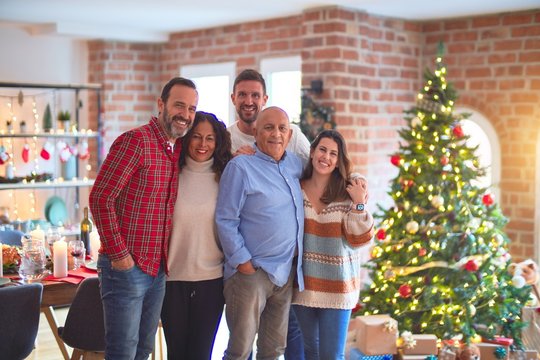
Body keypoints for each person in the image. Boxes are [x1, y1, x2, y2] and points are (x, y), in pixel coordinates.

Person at [89, 77, 198, 360]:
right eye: (179, 105)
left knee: (143, 349)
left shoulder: (174, 151)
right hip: (126, 267)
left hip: (157, 269)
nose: (185, 115)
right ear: (161, 104)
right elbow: (101, 198)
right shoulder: (136, 141)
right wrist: (120, 256)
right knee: (122, 352)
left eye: (191, 109)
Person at [228, 68, 307, 359]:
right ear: (256, 133)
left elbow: (325, 168)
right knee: (240, 349)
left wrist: (356, 181)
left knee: (274, 349)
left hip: (285, 272)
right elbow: (226, 218)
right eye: (268, 128)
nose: (276, 133)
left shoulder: (294, 163)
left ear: (289, 133)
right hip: (252, 271)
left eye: (282, 129)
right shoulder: (238, 162)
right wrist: (242, 262)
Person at [292, 130, 375, 360]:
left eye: (333, 154)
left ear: (338, 160)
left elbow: (360, 240)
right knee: (311, 351)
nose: (326, 157)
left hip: (339, 288)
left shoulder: (348, 192)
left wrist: (359, 204)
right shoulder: (296, 189)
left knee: (331, 355)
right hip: (303, 288)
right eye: (322, 150)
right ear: (311, 152)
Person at [161, 111, 232, 360]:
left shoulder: (226, 177)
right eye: (197, 137)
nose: (203, 144)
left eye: (210, 138)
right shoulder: (170, 173)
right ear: (187, 138)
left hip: (211, 281)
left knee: (201, 354)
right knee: (176, 354)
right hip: (171, 280)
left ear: (218, 142)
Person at [228, 68, 310, 165]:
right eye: (242, 95)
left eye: (255, 95)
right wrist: (232, 162)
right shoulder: (225, 138)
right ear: (233, 99)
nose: (248, 102)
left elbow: (313, 168)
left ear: (264, 100)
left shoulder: (292, 134)